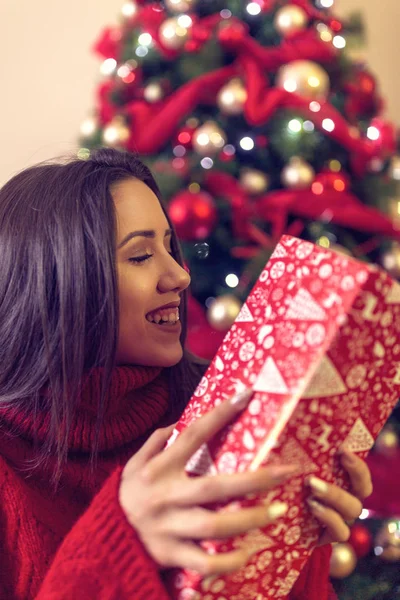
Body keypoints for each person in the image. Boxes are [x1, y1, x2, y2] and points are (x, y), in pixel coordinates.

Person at [0, 148, 372, 600]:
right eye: (139, 256)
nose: (178, 275)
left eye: (170, 248)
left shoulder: (218, 409)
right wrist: (117, 543)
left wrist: (293, 547)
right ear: (55, 283)